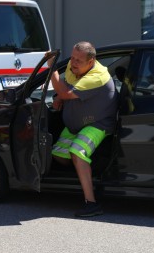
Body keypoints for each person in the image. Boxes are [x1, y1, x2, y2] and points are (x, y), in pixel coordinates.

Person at [47, 41, 118, 217]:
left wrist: (52, 70)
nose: (73, 63)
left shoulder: (97, 76)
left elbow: (66, 92)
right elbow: (67, 87)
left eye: (78, 60)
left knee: (77, 152)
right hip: (75, 125)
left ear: (91, 61)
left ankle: (92, 203)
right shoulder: (76, 67)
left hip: (98, 124)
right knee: (57, 155)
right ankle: (86, 172)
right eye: (72, 58)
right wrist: (59, 98)